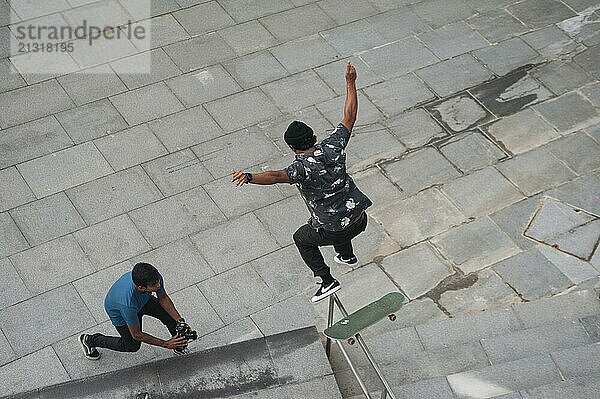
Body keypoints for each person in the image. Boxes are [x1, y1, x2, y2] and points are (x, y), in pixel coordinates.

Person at [232, 62, 372, 303]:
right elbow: (349, 116)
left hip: (337, 229)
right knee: (332, 217)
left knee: (302, 238)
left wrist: (249, 177)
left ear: (292, 147)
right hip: (360, 219)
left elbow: (275, 176)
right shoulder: (334, 145)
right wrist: (350, 82)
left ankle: (326, 280)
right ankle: (347, 256)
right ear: (314, 137)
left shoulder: (301, 168)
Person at [78, 262, 190, 360]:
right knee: (132, 345)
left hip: (142, 301)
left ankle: (179, 345)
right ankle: (91, 340)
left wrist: (180, 321)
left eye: (157, 282)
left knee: (171, 318)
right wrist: (165, 344)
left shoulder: (154, 277)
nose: (158, 285)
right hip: (120, 312)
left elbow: (163, 298)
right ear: (141, 287)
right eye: (154, 285)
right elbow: (137, 334)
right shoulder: (127, 303)